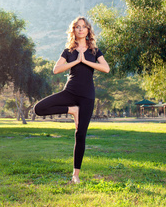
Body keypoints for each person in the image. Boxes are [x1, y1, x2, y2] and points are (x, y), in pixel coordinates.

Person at [33, 16, 110, 184]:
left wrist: (86, 62)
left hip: (87, 96)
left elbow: (106, 68)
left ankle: (76, 175)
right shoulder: (68, 50)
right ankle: (71, 110)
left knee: (80, 135)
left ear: (88, 30)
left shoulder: (94, 51)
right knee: (38, 109)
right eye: (77, 27)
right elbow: (56, 69)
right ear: (73, 30)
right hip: (70, 92)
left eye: (84, 27)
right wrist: (75, 61)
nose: (81, 29)